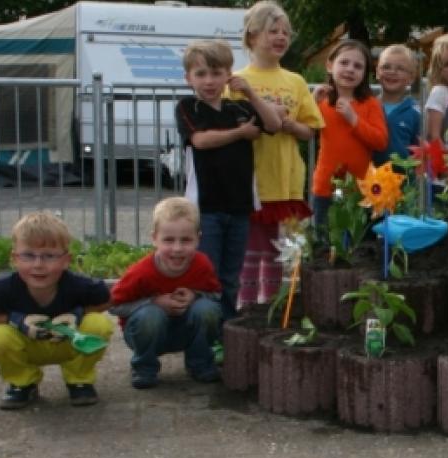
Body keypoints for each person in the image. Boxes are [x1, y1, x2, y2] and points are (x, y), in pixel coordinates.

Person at [176, 39, 281, 323]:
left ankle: (225, 331)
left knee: (231, 275)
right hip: (206, 206)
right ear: (188, 78)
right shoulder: (188, 106)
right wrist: (240, 133)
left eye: (216, 73)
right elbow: (200, 140)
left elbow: (272, 124)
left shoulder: (239, 108)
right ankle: (204, 331)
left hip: (239, 205)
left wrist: (251, 93)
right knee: (207, 274)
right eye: (201, 74)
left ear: (228, 75)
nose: (209, 81)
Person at [233, 0, 324, 308]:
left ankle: (270, 305)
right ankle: (246, 305)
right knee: (250, 245)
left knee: (275, 247)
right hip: (251, 176)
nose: (281, 37)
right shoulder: (236, 81)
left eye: (286, 32)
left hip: (286, 177)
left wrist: (287, 124)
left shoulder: (295, 81)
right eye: (273, 30)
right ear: (252, 37)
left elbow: (309, 130)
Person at [0, 212, 114, 409]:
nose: (38, 265)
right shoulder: (0, 289)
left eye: (49, 256)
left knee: (99, 324)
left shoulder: (81, 286)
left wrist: (77, 315)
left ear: (66, 260)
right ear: (14, 258)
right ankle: (23, 382)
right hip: (27, 345)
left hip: (69, 342)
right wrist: (15, 320)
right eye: (28, 255)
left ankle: (79, 378)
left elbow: (107, 301)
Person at [111, 198, 222, 390]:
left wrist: (195, 296)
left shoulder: (202, 264)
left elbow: (216, 295)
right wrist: (153, 302)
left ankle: (200, 363)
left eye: (186, 240)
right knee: (151, 315)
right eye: (168, 240)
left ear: (198, 238)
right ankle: (144, 367)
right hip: (145, 333)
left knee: (208, 310)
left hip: (185, 330)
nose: (177, 248)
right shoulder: (141, 272)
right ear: (154, 238)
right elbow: (112, 305)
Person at [310, 39, 388, 229]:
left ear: (365, 74)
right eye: (344, 63)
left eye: (358, 66)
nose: (350, 69)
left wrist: (354, 119)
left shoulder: (370, 103)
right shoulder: (322, 100)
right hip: (325, 187)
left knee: (358, 246)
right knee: (325, 246)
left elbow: (381, 141)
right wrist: (311, 101)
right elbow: (305, 131)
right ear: (330, 66)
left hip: (361, 189)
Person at [373, 43, 421, 168]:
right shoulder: (366, 106)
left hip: (404, 185)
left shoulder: (416, 113)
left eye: (400, 69)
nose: (392, 72)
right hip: (368, 183)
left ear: (411, 77)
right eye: (386, 67)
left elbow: (420, 152)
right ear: (377, 72)